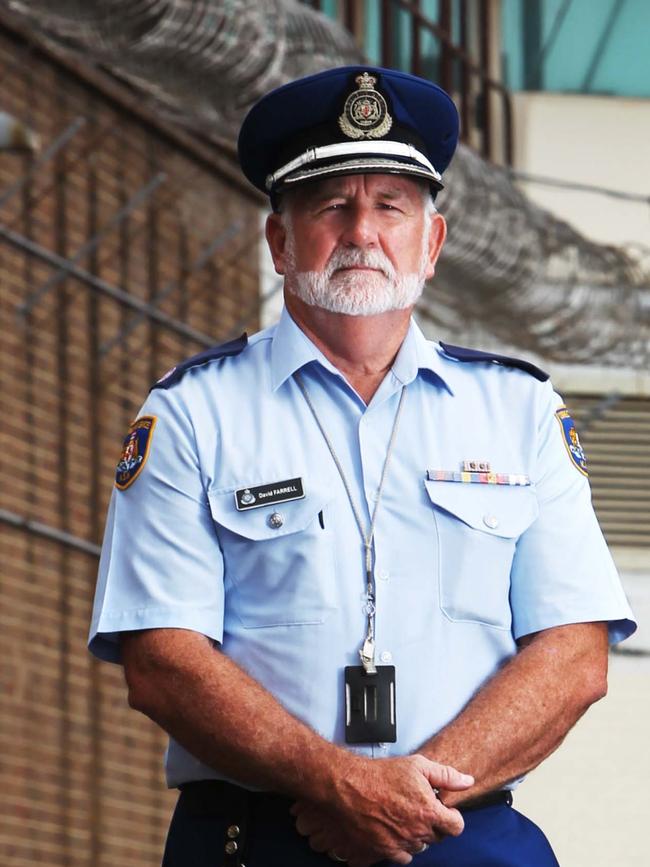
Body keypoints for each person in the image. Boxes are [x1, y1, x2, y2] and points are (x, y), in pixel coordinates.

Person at [88, 66, 636, 867]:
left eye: (391, 206)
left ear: (431, 241)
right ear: (280, 240)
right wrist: (335, 781)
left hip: (462, 837)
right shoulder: (191, 414)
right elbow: (162, 659)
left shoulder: (517, 411)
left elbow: (575, 652)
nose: (362, 232)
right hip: (256, 841)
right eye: (331, 205)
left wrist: (404, 804)